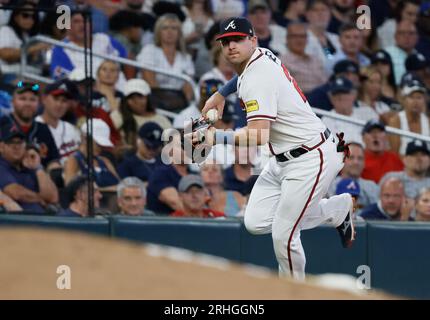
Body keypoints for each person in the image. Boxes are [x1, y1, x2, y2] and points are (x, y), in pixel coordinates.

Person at [195, 17, 356, 280]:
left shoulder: (259, 76)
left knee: (284, 234)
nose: (231, 46)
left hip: (311, 156)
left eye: (237, 39)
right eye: (225, 42)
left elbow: (258, 135)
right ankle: (336, 210)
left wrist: (216, 138)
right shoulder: (262, 54)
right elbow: (242, 77)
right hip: (283, 158)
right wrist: (221, 93)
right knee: (256, 223)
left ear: (252, 40)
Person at [0, 123, 58, 213]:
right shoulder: (2, 166)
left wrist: (38, 168)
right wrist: (40, 199)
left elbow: (53, 198)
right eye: (10, 142)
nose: (16, 146)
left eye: (20, 142)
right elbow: (15, 193)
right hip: (17, 223)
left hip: (42, 219)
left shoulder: (30, 166)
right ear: (1, 147)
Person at [0, 81, 60, 167]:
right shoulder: (2, 124)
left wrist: (55, 170)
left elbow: (53, 161)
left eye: (32, 99)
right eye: (22, 99)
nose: (28, 104)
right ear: (12, 101)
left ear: (39, 104)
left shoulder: (43, 129)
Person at [63, 119, 120, 191]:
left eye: (102, 144)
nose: (101, 147)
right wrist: (105, 189)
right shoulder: (73, 161)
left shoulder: (105, 161)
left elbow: (121, 187)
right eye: (98, 144)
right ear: (85, 138)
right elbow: (70, 190)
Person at [35, 80, 81, 165]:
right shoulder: (33, 127)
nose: (59, 104)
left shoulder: (72, 129)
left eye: (64, 101)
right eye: (55, 99)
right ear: (44, 99)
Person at [321, 76, 374, 145]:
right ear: (331, 98)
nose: (341, 97)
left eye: (345, 92)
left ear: (354, 95)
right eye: (336, 94)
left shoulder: (367, 112)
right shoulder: (326, 120)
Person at [328, 142, 379, 210]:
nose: (356, 162)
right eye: (351, 157)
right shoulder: (329, 186)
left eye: (360, 158)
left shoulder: (372, 187)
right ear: (341, 160)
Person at [281, 22, 327, 94]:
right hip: (302, 99)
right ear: (287, 39)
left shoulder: (316, 60)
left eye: (302, 36)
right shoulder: (282, 62)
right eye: (294, 36)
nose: (299, 40)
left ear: (307, 39)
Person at [387, 79, 429, 155]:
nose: (415, 101)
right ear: (404, 100)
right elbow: (394, 154)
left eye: (419, 97)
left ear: (424, 100)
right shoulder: (396, 121)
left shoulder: (428, 121)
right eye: (411, 97)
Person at [361, 119, 404, 183]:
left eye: (379, 132)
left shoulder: (394, 158)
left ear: (386, 137)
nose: (375, 136)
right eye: (371, 132)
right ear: (363, 138)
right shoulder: (357, 158)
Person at [384, 20, 420, 85]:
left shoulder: (419, 57)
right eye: (402, 33)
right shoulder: (386, 54)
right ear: (395, 36)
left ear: (417, 37)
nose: (407, 36)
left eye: (411, 33)